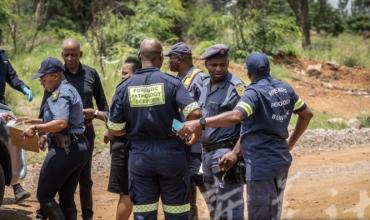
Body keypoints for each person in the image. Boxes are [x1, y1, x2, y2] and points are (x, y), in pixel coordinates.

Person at [178, 52, 314, 220]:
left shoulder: (254, 93)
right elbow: (306, 114)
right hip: (281, 159)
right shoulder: (285, 88)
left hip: (260, 163)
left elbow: (236, 116)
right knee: (273, 212)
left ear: (248, 72)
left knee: (259, 214)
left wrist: (200, 122)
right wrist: (290, 144)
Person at [108, 38, 202, 220]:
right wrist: (192, 132)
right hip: (172, 156)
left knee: (144, 213)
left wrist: (132, 131)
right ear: (160, 58)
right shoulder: (172, 83)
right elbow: (195, 113)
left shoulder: (124, 87)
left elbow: (114, 128)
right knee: (177, 212)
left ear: (139, 57)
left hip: (140, 158)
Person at [39, 38, 109, 220]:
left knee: (85, 180)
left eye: (74, 55)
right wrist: (41, 133)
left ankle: (87, 216)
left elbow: (103, 105)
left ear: (80, 55)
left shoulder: (91, 74)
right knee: (59, 182)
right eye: (67, 55)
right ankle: (44, 214)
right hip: (60, 135)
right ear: (62, 55)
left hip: (85, 132)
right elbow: (44, 107)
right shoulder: (56, 76)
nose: (70, 58)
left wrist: (94, 114)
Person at [24, 57, 89, 219]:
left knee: (44, 196)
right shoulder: (69, 89)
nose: (41, 82)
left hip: (64, 150)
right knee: (66, 197)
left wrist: (36, 128)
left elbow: (60, 123)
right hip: (77, 147)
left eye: (43, 77)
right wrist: (31, 120)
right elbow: (60, 120)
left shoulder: (60, 93)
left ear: (55, 76)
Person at [195, 44, 246, 219]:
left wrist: (235, 153)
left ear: (228, 63)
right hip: (206, 153)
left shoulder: (236, 87)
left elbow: (249, 124)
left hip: (225, 153)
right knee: (214, 208)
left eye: (222, 65)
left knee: (231, 206)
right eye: (214, 65)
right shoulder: (203, 83)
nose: (218, 69)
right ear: (206, 65)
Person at [166, 42, 208, 220]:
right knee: (188, 194)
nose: (168, 62)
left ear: (179, 59)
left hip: (199, 148)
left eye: (171, 59)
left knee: (209, 192)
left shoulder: (199, 79)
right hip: (184, 146)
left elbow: (203, 114)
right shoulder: (178, 80)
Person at [106, 57, 141, 220]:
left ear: (136, 73)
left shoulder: (124, 90)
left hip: (124, 147)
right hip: (139, 148)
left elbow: (116, 123)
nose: (122, 77)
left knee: (126, 193)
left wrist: (111, 129)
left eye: (125, 74)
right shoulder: (143, 90)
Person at [0, 49, 32, 203]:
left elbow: (12, 77)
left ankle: (16, 184)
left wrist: (24, 88)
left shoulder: (2, 57)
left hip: (2, 107)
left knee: (14, 131)